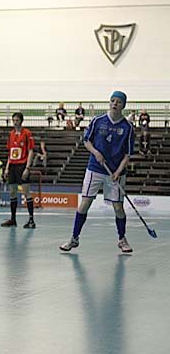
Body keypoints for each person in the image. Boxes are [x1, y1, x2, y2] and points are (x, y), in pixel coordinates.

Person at [59, 91, 135, 253]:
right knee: (85, 203)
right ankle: (74, 238)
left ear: (123, 105)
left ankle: (122, 239)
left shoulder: (128, 128)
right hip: (95, 169)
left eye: (118, 102)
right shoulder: (97, 121)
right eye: (112, 100)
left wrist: (118, 172)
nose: (114, 104)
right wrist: (96, 153)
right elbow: (87, 141)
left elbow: (127, 155)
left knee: (118, 207)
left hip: (115, 172)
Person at [1, 112, 36, 228]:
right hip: (12, 166)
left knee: (26, 192)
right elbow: (10, 152)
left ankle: (31, 220)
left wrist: (27, 168)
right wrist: (7, 168)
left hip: (22, 165)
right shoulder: (11, 134)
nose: (15, 122)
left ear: (21, 121)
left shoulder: (27, 134)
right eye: (13, 120)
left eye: (17, 120)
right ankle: (13, 219)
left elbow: (31, 151)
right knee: (12, 192)